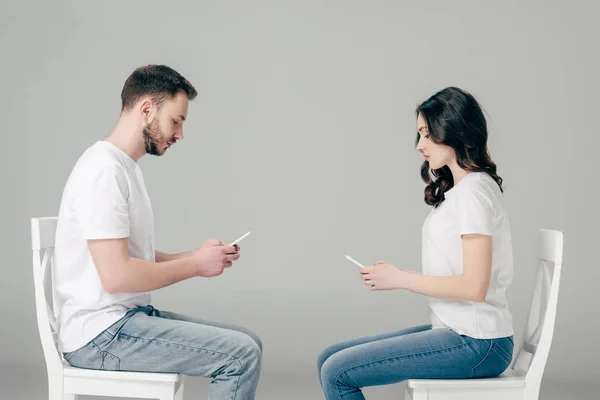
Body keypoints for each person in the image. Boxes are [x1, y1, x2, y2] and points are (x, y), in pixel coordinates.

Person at [53, 65, 262, 399]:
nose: (179, 134)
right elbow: (118, 276)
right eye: (176, 121)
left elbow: (137, 258)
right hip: (100, 336)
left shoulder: (124, 168)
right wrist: (196, 266)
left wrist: (197, 256)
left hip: (124, 320)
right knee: (241, 354)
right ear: (147, 109)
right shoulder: (103, 171)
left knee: (249, 341)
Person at [317, 87, 514, 399]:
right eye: (419, 135)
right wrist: (396, 273)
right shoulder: (462, 190)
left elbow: (475, 287)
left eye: (426, 133)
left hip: (477, 343)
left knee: (336, 372)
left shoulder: (474, 193)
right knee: (329, 358)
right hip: (458, 333)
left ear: (452, 129)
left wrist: (399, 279)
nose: (420, 145)